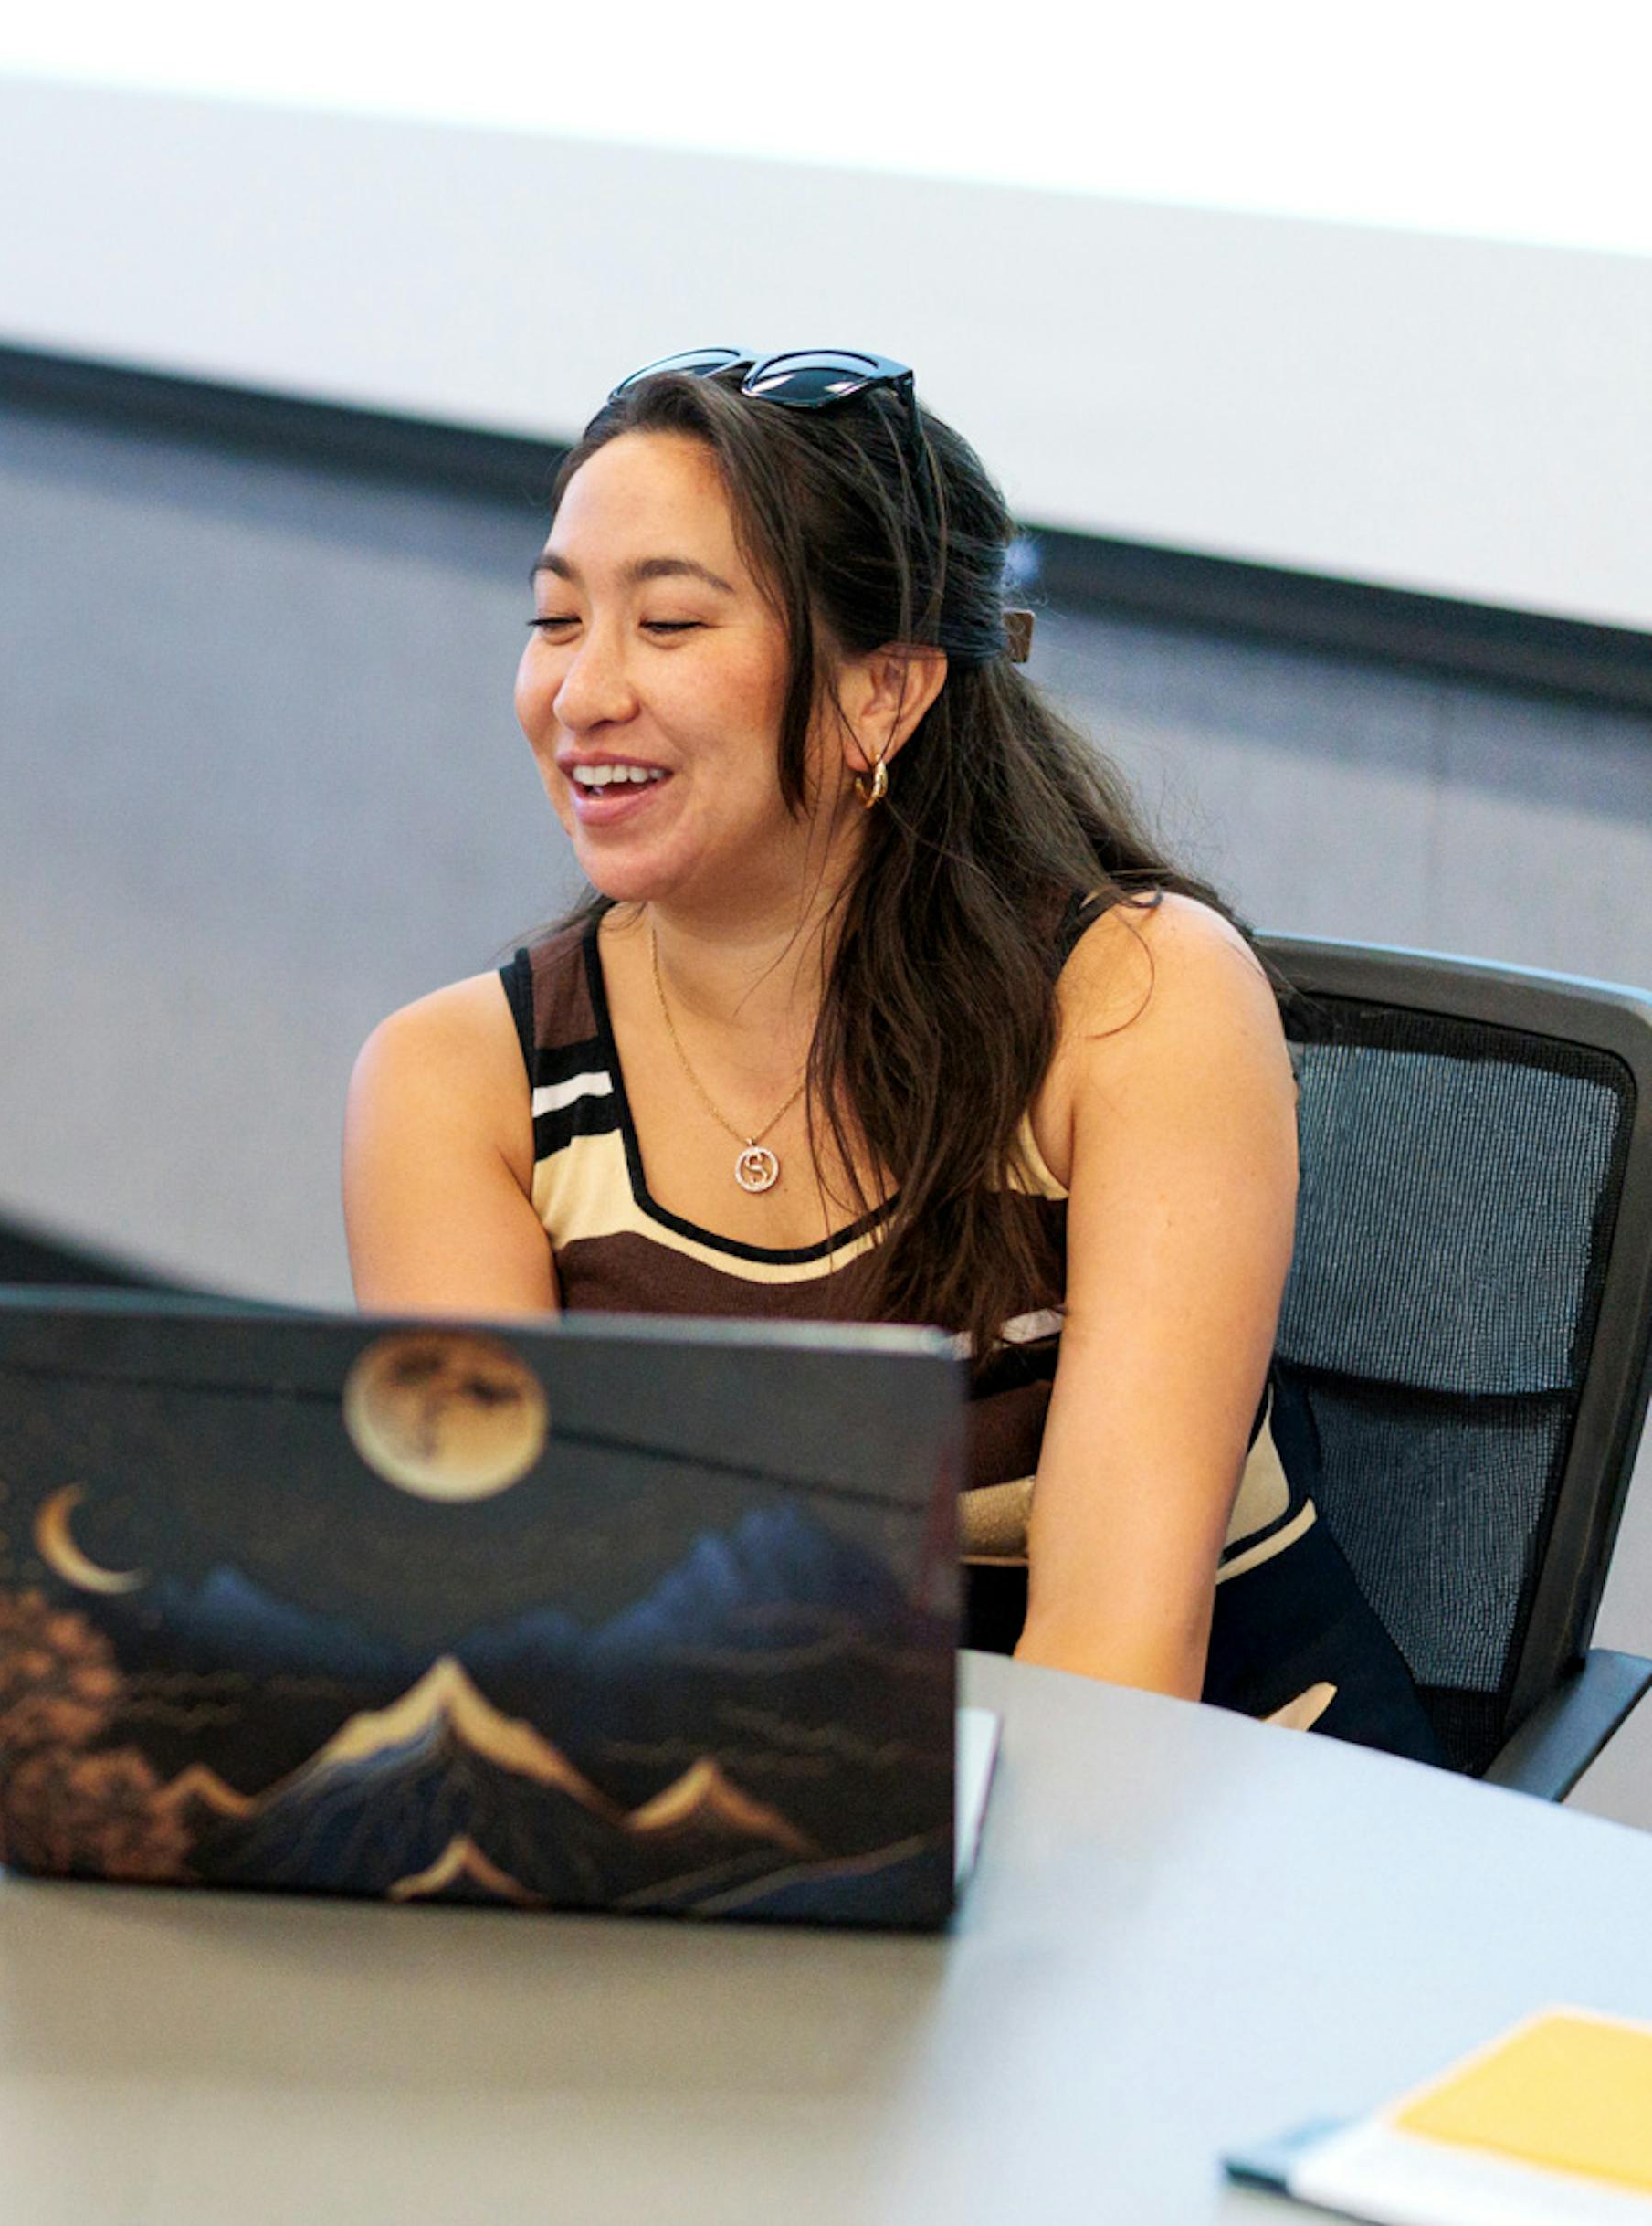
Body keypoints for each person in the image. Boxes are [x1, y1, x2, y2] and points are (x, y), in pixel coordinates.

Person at [342, 346, 1439, 1758]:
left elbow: (1117, 1656)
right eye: (556, 620)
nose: (581, 692)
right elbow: (507, 1622)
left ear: (885, 694)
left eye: (667, 623)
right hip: (745, 1804)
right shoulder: (461, 1083)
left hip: (1201, 1806)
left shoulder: (1138, 1004)